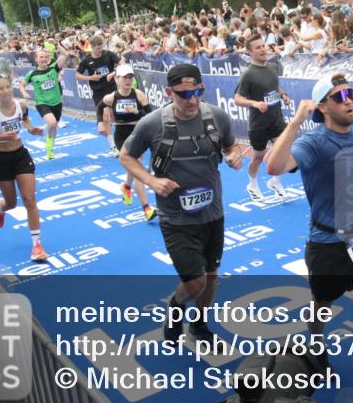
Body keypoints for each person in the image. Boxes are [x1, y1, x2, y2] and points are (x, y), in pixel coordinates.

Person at [265, 72, 353, 401]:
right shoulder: (313, 143)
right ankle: (316, 345)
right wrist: (296, 121)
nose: (349, 101)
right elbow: (273, 167)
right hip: (327, 242)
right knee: (322, 306)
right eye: (339, 97)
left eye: (350, 94)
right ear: (322, 107)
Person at [119, 64, 243, 348]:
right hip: (176, 218)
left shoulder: (217, 117)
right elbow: (126, 156)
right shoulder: (152, 123)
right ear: (168, 93)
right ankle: (176, 306)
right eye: (184, 94)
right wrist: (151, 181)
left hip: (212, 213)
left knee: (210, 278)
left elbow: (231, 145)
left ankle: (199, 325)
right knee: (195, 283)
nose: (192, 99)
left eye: (198, 92)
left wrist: (235, 155)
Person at [0, 73, 48, 262]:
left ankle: (37, 245)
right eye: (0, 88)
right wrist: (1, 138)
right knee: (12, 203)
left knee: (29, 199)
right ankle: (1, 206)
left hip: (20, 155)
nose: (5, 91)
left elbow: (25, 118)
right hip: (1, 159)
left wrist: (30, 129)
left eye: (7, 87)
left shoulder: (20, 104)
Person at [233, 34, 292, 200]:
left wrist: (283, 95)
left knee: (283, 152)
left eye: (263, 46)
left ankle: (275, 182)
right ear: (250, 52)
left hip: (276, 120)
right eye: (257, 47)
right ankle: (252, 184)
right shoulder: (248, 74)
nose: (262, 49)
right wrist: (254, 103)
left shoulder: (273, 67)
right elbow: (237, 99)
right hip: (258, 124)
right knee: (258, 157)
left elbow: (275, 85)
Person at [103, 64, 156, 221]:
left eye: (130, 77)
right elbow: (101, 107)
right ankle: (146, 208)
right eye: (124, 77)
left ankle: (126, 187)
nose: (128, 80)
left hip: (138, 132)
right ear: (117, 79)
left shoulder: (139, 94)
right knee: (137, 167)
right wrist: (101, 122)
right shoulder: (111, 97)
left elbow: (151, 116)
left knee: (134, 166)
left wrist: (137, 112)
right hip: (121, 135)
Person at [75, 35, 120, 153]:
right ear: (92, 47)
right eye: (97, 48)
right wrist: (91, 77)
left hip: (111, 90)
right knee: (101, 129)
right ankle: (113, 143)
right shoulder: (87, 60)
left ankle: (115, 146)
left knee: (110, 117)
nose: (100, 51)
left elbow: (122, 63)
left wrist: (114, 72)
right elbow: (77, 75)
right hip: (98, 93)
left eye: (101, 47)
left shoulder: (108, 54)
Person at [22, 48, 68, 159]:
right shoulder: (32, 74)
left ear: (49, 59)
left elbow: (65, 55)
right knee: (52, 123)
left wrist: (59, 46)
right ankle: (48, 144)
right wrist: (24, 93)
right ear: (36, 59)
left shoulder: (54, 68)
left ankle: (50, 146)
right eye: (41, 57)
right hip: (42, 103)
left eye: (46, 57)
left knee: (54, 126)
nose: (44, 59)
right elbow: (22, 84)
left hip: (56, 103)